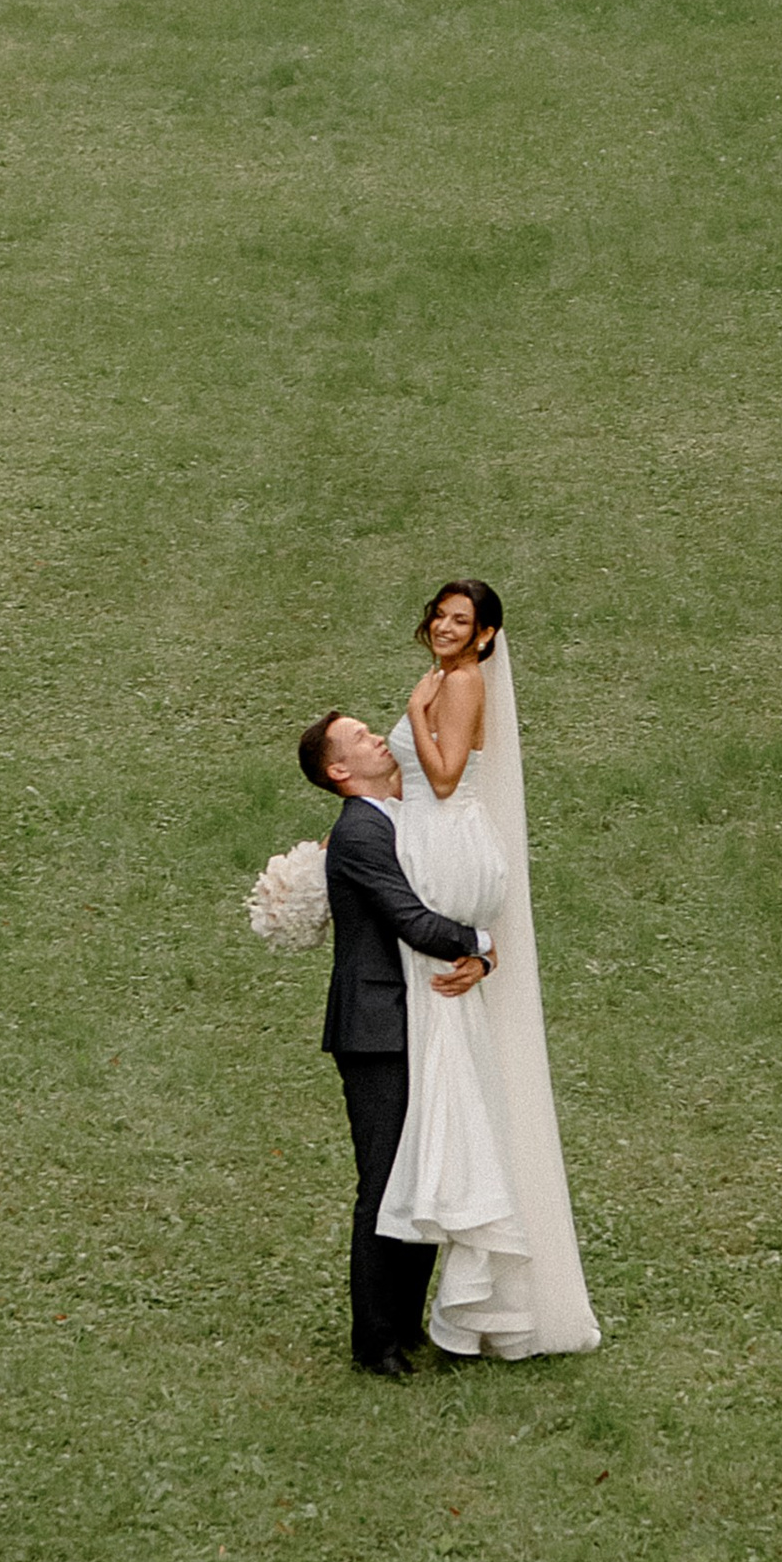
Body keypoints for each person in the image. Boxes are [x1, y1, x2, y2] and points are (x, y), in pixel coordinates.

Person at [379, 583, 601, 1361]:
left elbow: (441, 779)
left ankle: (469, 1230)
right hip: (428, 839)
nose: (443, 626)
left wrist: (414, 711)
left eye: (460, 620)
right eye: (439, 614)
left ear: (486, 635)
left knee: (448, 1038)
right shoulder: (448, 677)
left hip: (447, 841)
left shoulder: (460, 683)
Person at [297, 709, 494, 1379]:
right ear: (338, 770)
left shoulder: (395, 820)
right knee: (384, 1182)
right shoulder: (358, 832)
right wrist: (485, 945)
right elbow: (409, 919)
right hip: (376, 1027)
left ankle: (404, 1325)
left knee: (421, 1174)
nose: (376, 736)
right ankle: (374, 1343)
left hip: (411, 1020)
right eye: (357, 738)